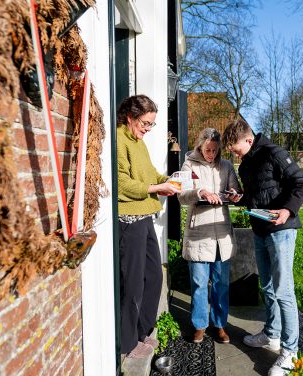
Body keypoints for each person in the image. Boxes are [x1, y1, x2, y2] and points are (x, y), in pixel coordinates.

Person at [222, 119, 303, 376]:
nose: (235, 155)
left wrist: (287, 209)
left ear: (249, 140)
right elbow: (257, 195)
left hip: (281, 230)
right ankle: (271, 335)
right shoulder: (248, 163)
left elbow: (301, 183)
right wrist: (240, 199)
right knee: (268, 287)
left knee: (284, 290)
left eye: (236, 149)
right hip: (259, 230)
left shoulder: (275, 153)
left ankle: (290, 351)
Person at [116, 95, 181, 359]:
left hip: (145, 217)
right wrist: (156, 188)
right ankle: (128, 343)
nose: (147, 128)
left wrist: (170, 181)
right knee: (132, 284)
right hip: (129, 221)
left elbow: (150, 173)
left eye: (152, 124)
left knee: (154, 277)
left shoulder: (139, 143)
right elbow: (121, 182)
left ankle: (143, 331)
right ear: (130, 117)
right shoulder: (120, 140)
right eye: (145, 123)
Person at [177, 128, 242, 344]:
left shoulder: (226, 166)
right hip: (199, 233)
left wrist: (234, 194)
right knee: (199, 283)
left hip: (221, 234)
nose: (211, 154)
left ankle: (219, 325)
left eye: (215, 150)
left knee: (221, 284)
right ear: (200, 146)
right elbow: (181, 195)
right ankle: (199, 326)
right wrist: (200, 192)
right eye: (207, 149)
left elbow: (236, 190)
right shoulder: (189, 165)